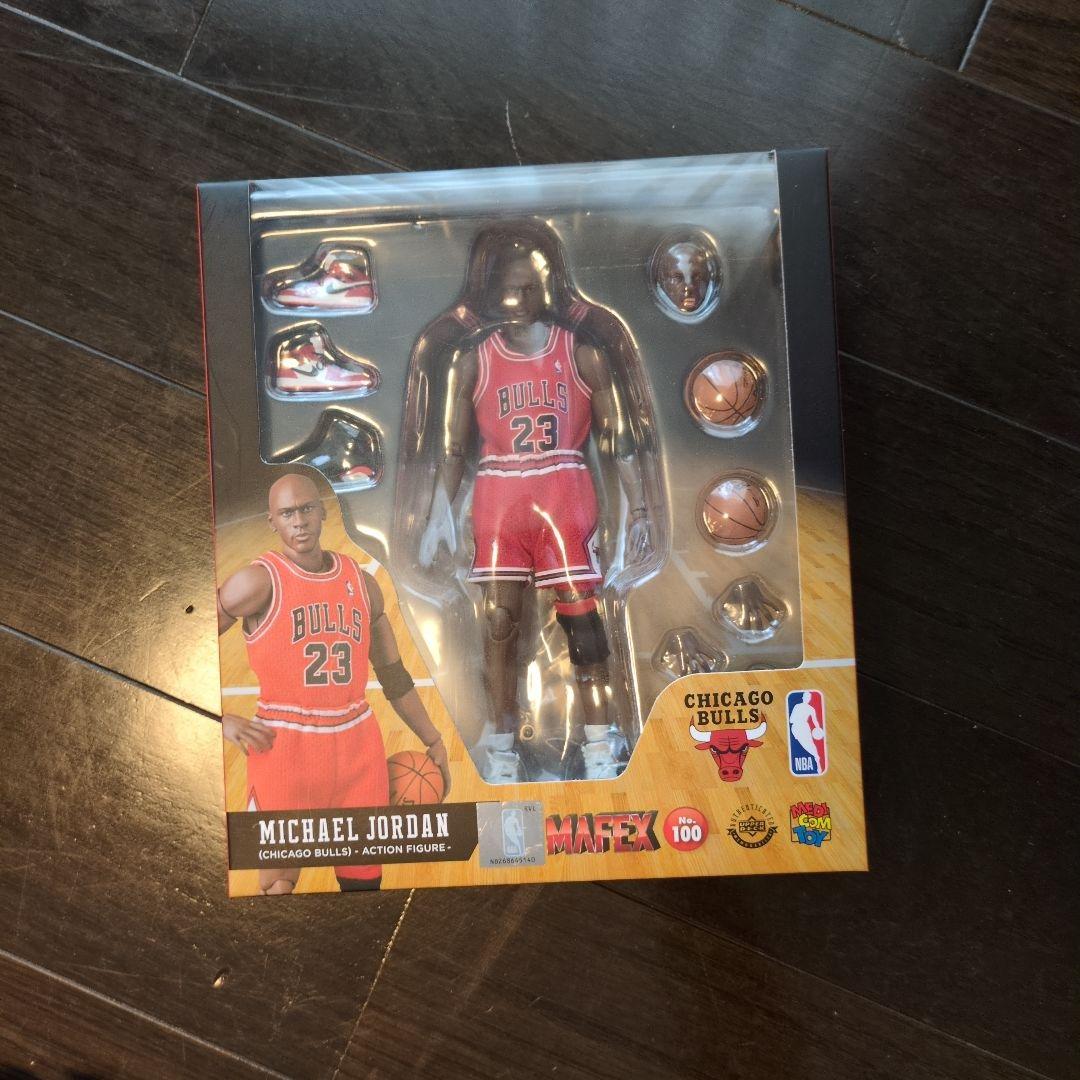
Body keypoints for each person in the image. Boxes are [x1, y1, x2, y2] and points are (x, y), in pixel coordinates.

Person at [418, 234, 652, 784]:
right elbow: (451, 448)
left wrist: (640, 507)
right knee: (499, 624)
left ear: (546, 289)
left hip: (563, 490)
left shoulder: (582, 352)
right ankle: (500, 744)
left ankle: (600, 742)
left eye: (529, 288)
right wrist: (436, 513)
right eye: (510, 288)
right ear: (492, 292)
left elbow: (619, 437)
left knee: (584, 626)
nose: (519, 298)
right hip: (500, 495)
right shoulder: (473, 360)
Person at [218, 472, 449, 895]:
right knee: (277, 886)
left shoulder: (362, 584)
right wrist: (219, 719)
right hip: (285, 747)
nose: (299, 521)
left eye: (307, 508)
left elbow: (394, 677)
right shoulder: (257, 582)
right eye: (287, 513)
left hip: (357, 746)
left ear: (323, 511)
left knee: (365, 886)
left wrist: (432, 738)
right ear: (272, 521)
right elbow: (191, 640)